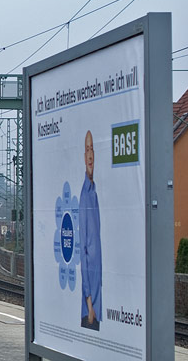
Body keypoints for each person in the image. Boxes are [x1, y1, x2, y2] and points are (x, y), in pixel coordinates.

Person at [80, 130, 102, 331]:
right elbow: (84, 253)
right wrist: (89, 303)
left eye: (92, 149)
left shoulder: (94, 191)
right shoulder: (85, 196)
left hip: (96, 301)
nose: (90, 154)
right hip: (90, 310)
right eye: (87, 150)